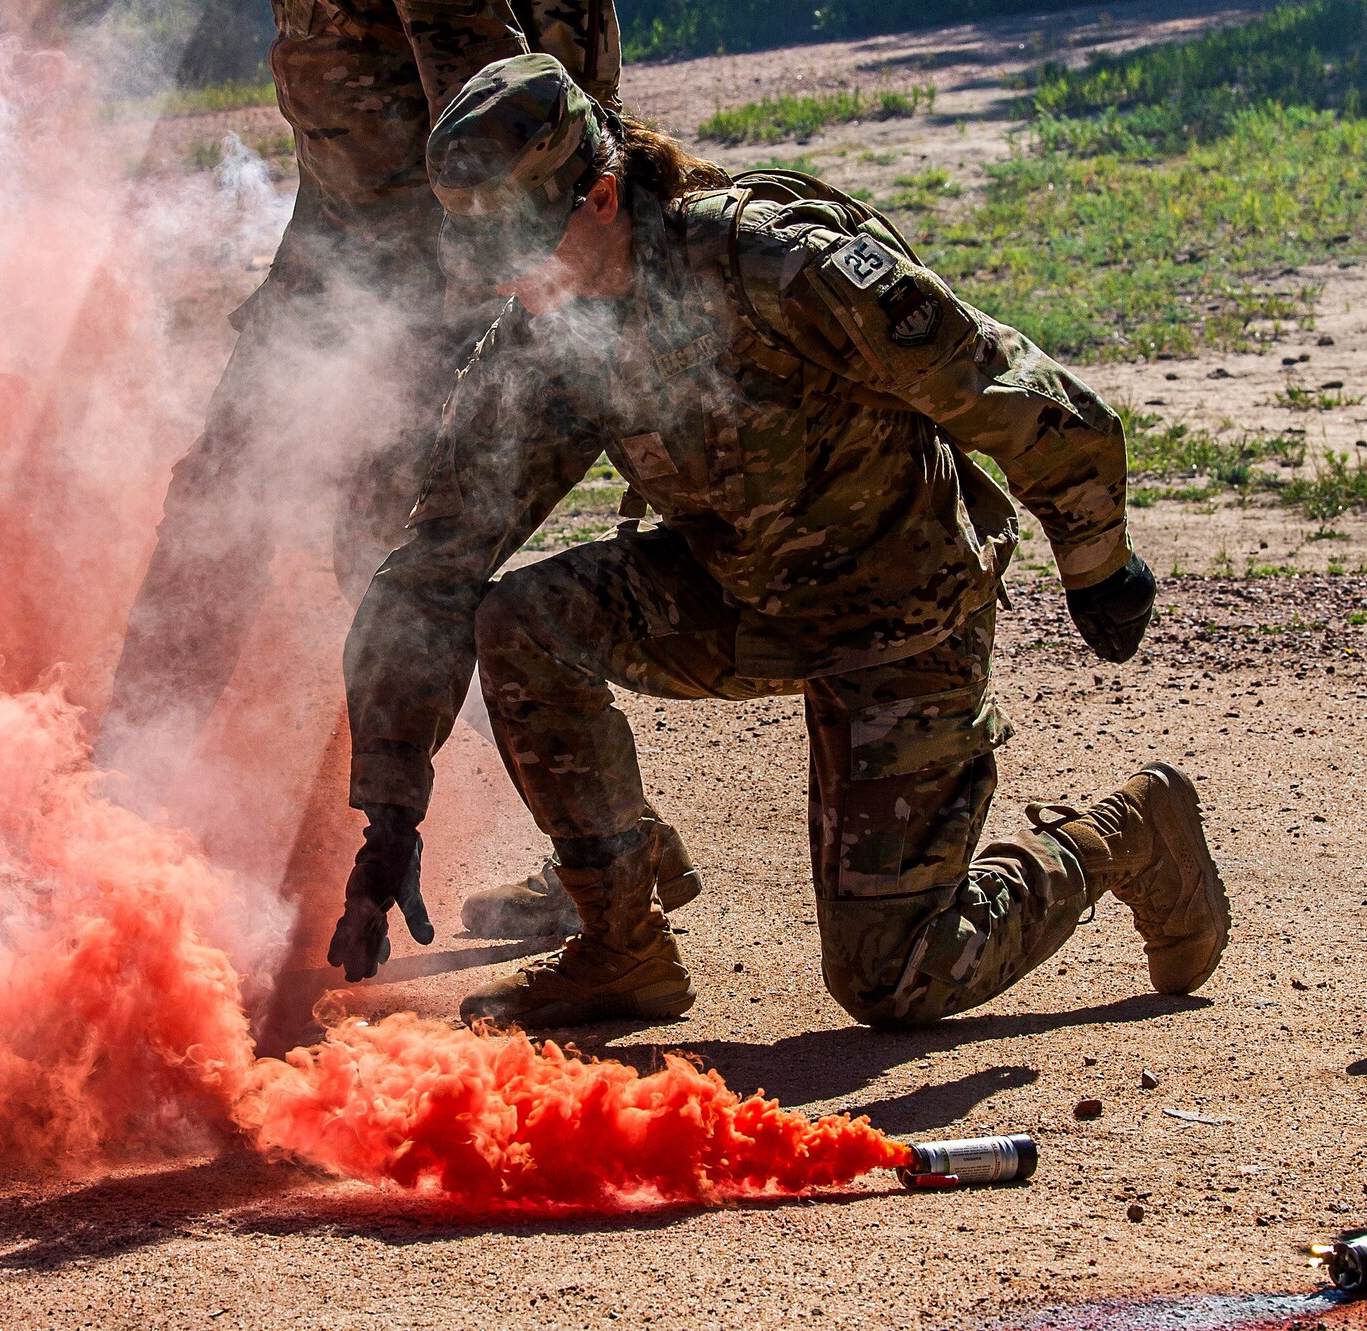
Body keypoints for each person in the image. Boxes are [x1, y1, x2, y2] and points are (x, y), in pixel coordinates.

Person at [325, 53, 1230, 1030]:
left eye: (520, 254)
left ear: (596, 198)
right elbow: (438, 560)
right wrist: (389, 800)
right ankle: (621, 947)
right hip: (740, 599)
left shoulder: (779, 263)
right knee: (520, 622)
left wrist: (1096, 557)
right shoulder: (553, 335)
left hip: (902, 619)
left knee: (893, 978)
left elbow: (997, 381)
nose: (511, 284)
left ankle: (1129, 832)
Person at [99, 1, 704, 994]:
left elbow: (484, 114)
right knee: (225, 518)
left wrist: (435, 328)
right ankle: (107, 826)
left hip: (422, 283)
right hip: (341, 263)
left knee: (386, 562)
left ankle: (613, 847)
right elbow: (337, 116)